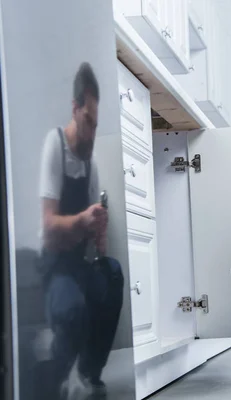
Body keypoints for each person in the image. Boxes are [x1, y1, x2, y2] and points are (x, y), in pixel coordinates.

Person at [37, 62, 124, 399]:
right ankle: (54, 374)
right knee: (72, 309)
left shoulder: (91, 160)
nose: (91, 133)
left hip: (79, 261)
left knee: (112, 272)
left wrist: (99, 232)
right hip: (54, 263)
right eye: (88, 122)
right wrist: (82, 220)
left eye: (96, 125)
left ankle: (89, 372)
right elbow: (47, 228)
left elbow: (96, 241)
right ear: (75, 110)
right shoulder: (54, 145)